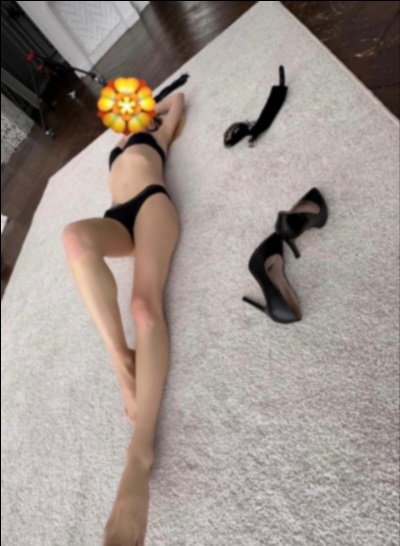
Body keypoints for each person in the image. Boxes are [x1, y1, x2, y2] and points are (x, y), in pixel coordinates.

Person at [62, 92, 185, 546]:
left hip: (153, 205)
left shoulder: (161, 134)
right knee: (74, 238)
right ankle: (121, 361)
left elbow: (179, 101)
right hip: (117, 218)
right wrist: (129, 122)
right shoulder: (120, 142)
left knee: (144, 310)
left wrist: (152, 111)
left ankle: (140, 453)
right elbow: (117, 124)